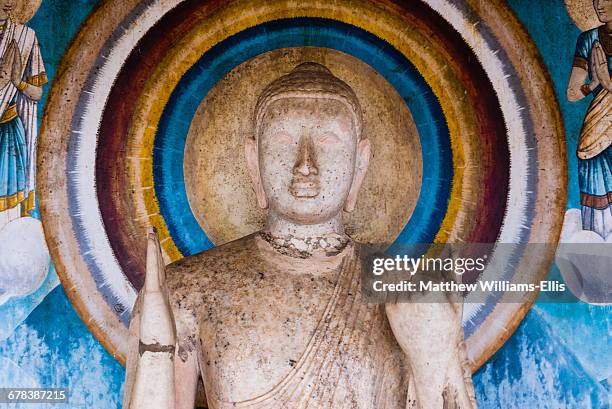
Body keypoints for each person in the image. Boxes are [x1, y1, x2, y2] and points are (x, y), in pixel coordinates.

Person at [123, 63, 475, 409]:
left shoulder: (410, 289)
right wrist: (155, 353)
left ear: (360, 163)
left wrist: (431, 363)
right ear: (252, 161)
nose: (305, 163)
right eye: (283, 139)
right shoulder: (187, 289)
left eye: (328, 140)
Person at [566, 0, 612, 240]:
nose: (598, 5)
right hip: (598, 130)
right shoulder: (588, 40)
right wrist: (594, 83)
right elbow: (572, 94)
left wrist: (607, 80)